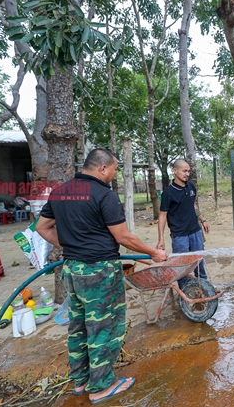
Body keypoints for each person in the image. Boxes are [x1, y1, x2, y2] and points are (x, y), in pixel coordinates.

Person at [36, 148, 167, 405]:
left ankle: (82, 380)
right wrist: (154, 252)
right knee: (104, 327)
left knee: (79, 326)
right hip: (100, 273)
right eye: (115, 169)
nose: (114, 174)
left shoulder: (61, 191)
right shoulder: (104, 195)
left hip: (72, 269)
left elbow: (42, 227)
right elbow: (124, 238)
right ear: (102, 168)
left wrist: (71, 246)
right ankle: (101, 386)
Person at [156, 159, 210, 286]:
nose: (187, 174)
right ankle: (184, 292)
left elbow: (193, 205)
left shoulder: (191, 187)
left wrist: (203, 220)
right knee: (182, 265)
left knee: (199, 262)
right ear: (175, 171)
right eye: (184, 171)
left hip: (195, 232)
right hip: (180, 236)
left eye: (188, 171)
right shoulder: (168, 193)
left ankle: (204, 286)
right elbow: (163, 216)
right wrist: (161, 239)